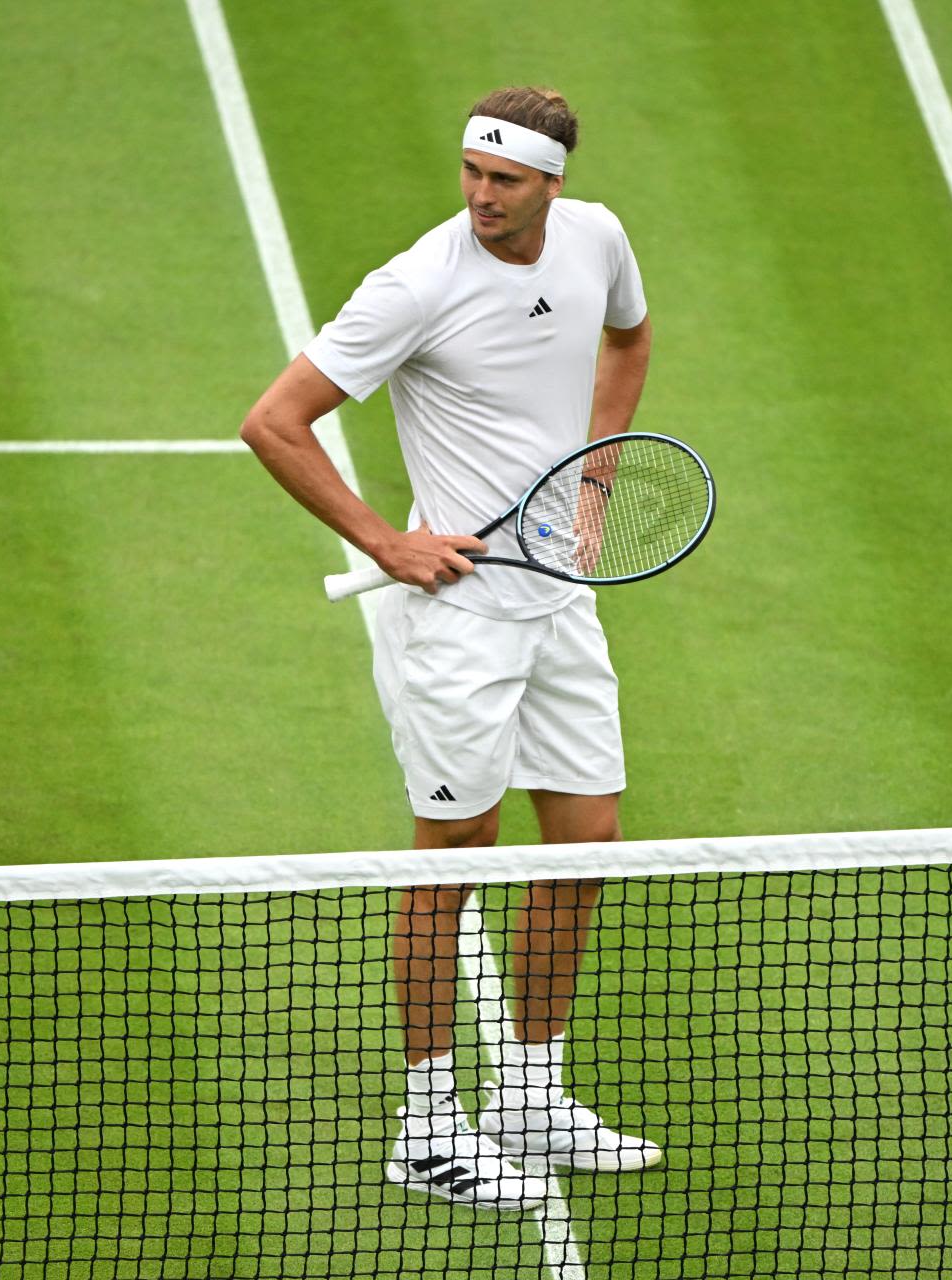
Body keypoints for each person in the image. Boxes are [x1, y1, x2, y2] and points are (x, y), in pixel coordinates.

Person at [240, 86, 660, 1211]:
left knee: (586, 840)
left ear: (550, 185)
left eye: (504, 181)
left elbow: (628, 337)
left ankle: (528, 1089)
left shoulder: (598, 239)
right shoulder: (418, 282)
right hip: (459, 617)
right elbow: (275, 421)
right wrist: (388, 539)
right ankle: (427, 1128)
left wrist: (602, 466)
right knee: (454, 856)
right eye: (471, 173)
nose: (480, 196)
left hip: (559, 596)